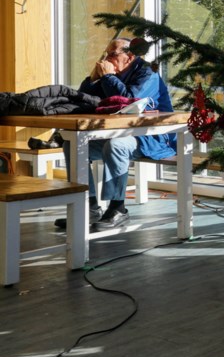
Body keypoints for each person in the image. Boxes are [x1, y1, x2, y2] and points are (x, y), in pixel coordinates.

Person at [55, 37, 176, 231]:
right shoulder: (112, 74)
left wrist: (108, 78)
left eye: (112, 54)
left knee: (116, 145)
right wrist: (94, 77)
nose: (107, 58)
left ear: (130, 56)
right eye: (106, 54)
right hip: (121, 132)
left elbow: (129, 101)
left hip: (152, 137)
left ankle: (118, 209)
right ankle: (89, 206)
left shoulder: (147, 73)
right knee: (73, 145)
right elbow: (85, 96)